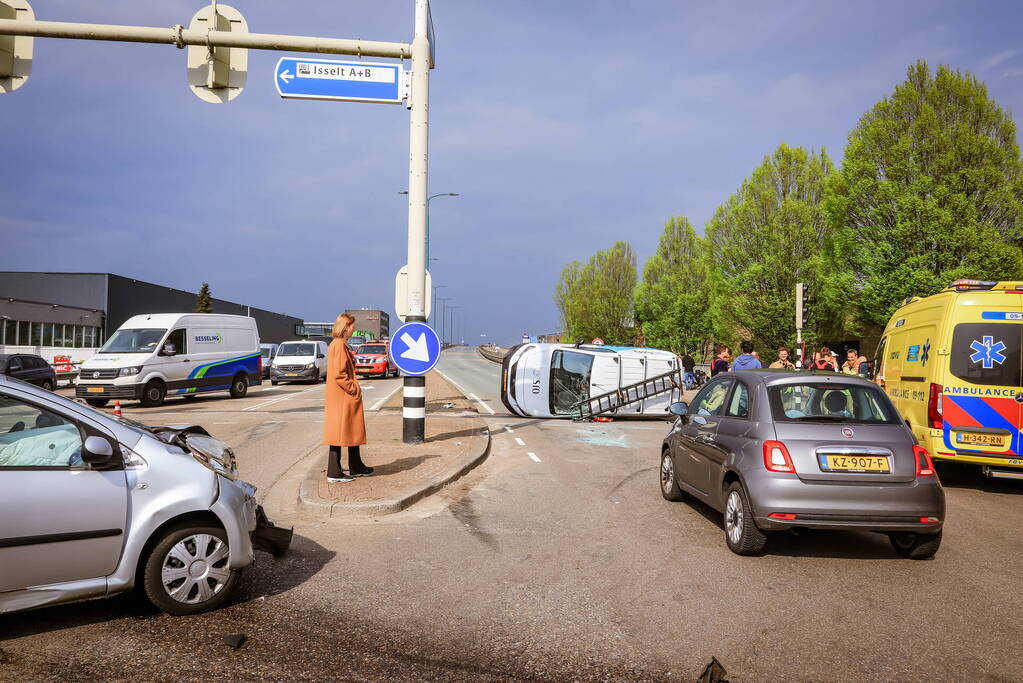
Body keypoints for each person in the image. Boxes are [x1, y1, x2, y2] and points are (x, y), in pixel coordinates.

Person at [323, 313, 372, 483]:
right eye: (351, 326)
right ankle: (334, 472)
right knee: (338, 434)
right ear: (345, 327)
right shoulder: (339, 345)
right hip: (343, 397)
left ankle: (356, 465)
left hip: (341, 397)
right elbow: (339, 374)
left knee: (350, 432)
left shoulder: (338, 344)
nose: (353, 329)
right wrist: (354, 389)